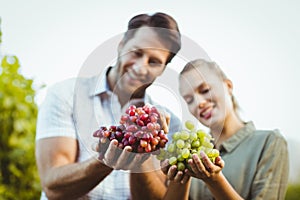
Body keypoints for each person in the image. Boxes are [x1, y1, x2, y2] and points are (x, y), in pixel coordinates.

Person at [35, 12, 182, 199]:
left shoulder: (169, 125)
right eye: (136, 53)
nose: (140, 67)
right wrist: (105, 161)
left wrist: (140, 157)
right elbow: (53, 187)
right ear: (121, 45)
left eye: (154, 62)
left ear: (163, 69)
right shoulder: (65, 95)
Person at [163, 58, 289, 200]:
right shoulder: (190, 154)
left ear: (228, 86)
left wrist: (215, 180)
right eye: (189, 100)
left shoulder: (269, 143)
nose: (199, 103)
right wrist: (178, 179)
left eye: (205, 90)